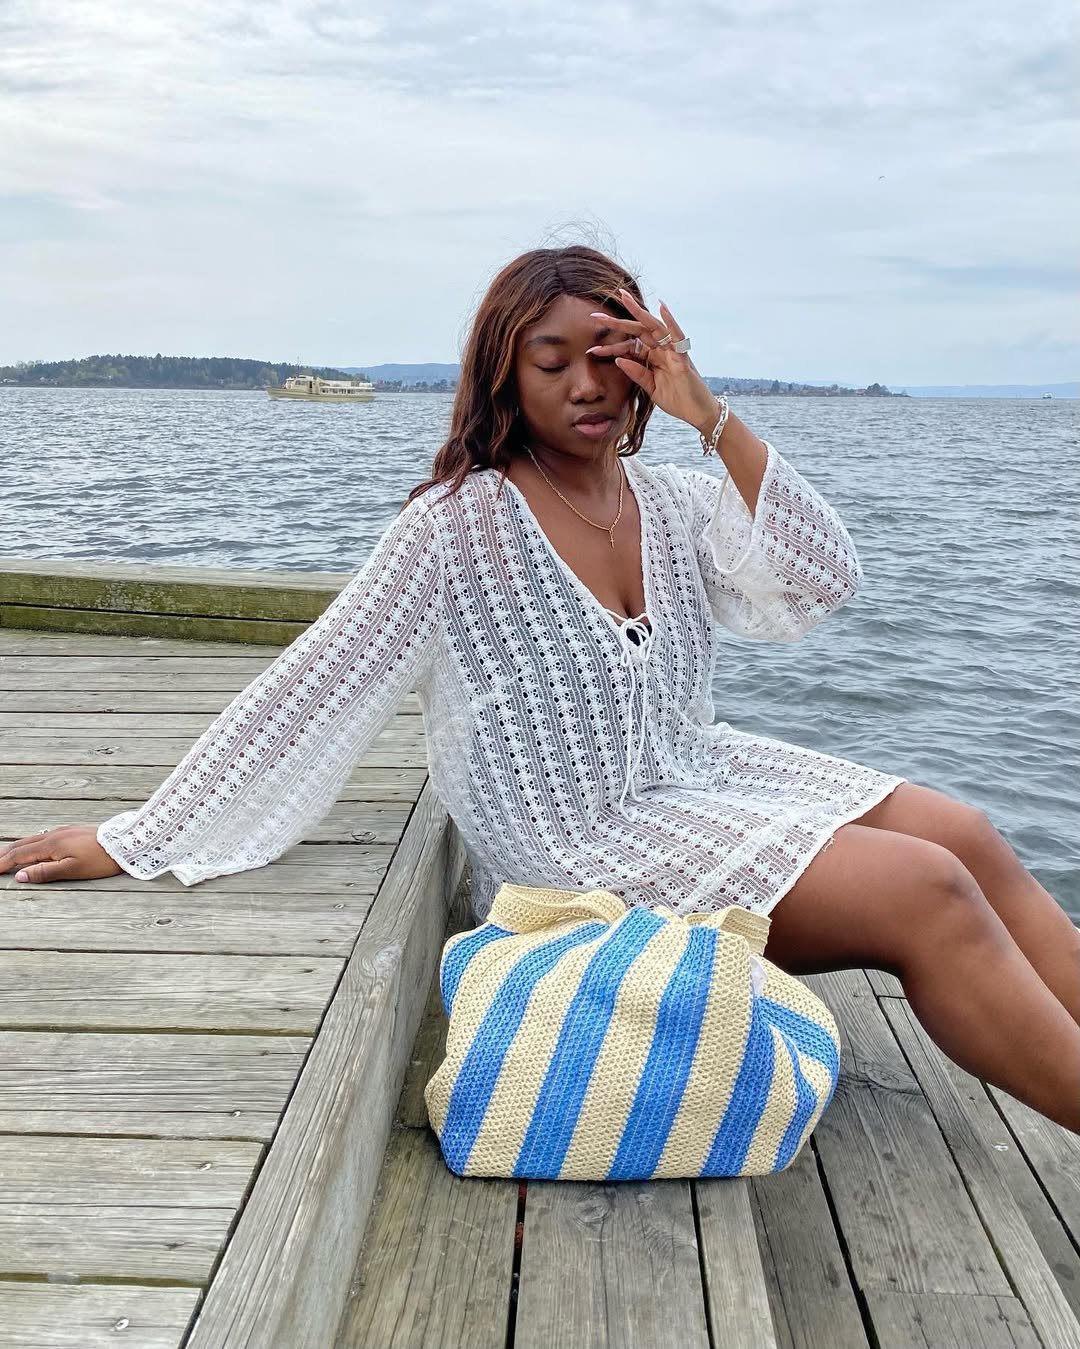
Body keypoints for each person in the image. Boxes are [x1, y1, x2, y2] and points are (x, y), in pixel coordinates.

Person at [2, 244, 1078, 1134]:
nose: (585, 386)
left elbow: (820, 575)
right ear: (503, 374)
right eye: (550, 359)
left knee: (968, 832)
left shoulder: (666, 495)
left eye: (611, 357)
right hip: (581, 842)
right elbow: (311, 688)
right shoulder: (460, 525)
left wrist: (712, 416)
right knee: (927, 890)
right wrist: (138, 835)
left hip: (694, 771)